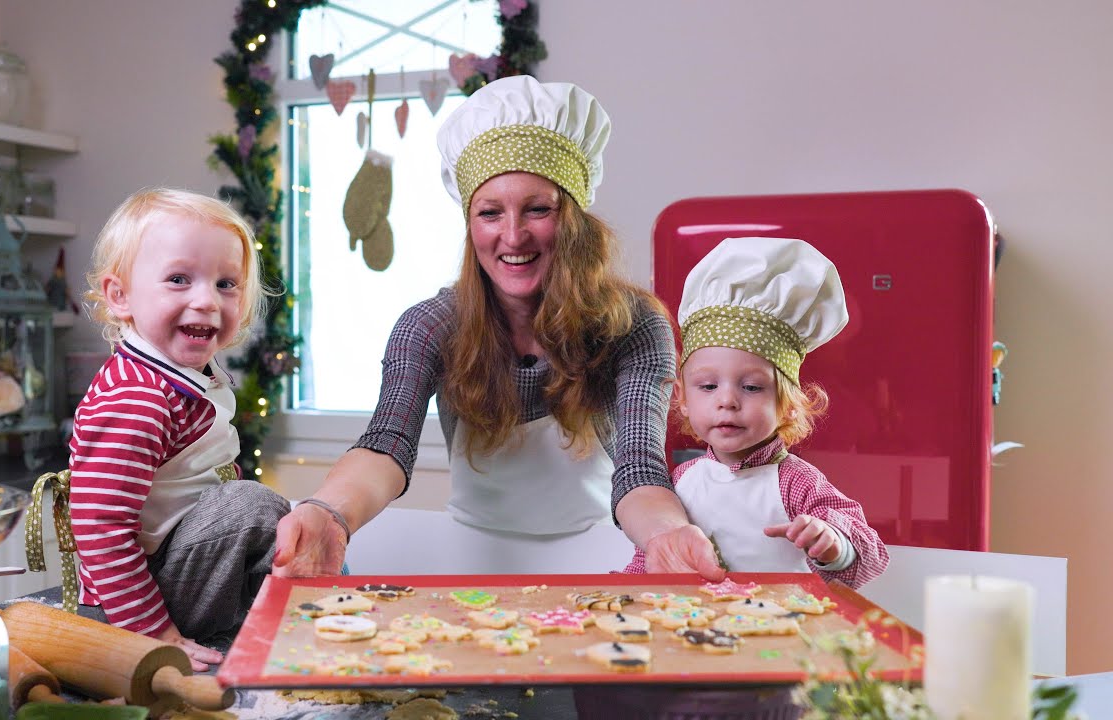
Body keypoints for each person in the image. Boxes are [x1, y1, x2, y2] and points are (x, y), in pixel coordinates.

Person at [273, 75, 725, 580]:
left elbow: (640, 465)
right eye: (490, 213)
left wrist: (666, 532)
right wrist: (327, 512)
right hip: (470, 559)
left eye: (538, 209)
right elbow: (386, 443)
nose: (513, 235)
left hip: (601, 555)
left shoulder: (633, 325)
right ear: (471, 225)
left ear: (573, 218)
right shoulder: (429, 325)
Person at [69, 188, 290, 670]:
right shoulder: (138, 396)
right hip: (132, 602)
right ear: (119, 296)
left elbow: (204, 471)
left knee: (284, 525)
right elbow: (100, 527)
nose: (207, 300)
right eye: (178, 279)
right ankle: (311, 613)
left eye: (226, 284)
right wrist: (153, 635)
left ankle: (302, 612)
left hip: (177, 567)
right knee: (252, 507)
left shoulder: (187, 376)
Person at [623, 236, 889, 588]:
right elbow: (652, 558)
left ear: (788, 405)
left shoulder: (796, 484)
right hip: (693, 632)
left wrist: (834, 545)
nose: (727, 401)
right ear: (682, 397)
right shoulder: (681, 481)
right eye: (708, 386)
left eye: (751, 387)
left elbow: (871, 554)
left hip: (780, 630)